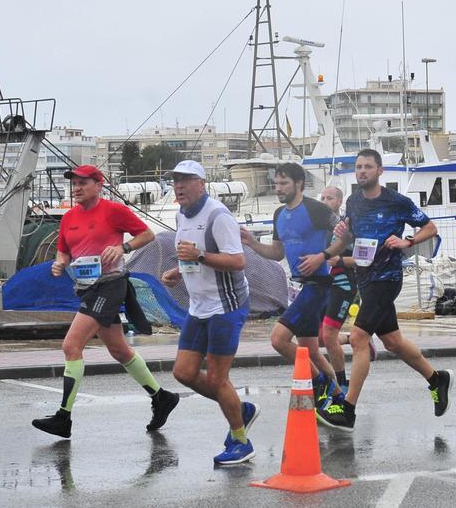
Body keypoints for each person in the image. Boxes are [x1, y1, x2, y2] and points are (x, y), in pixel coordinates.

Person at [32, 165, 178, 438]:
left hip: (110, 286)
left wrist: (122, 247)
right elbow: (64, 251)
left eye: (83, 183)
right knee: (120, 351)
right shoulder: (69, 218)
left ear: (99, 185)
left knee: (71, 345)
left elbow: (146, 235)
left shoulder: (114, 211)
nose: (76, 188)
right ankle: (162, 397)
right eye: (74, 183)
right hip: (87, 289)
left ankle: (63, 417)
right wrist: (59, 264)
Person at [315, 149, 452, 431]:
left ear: (379, 171)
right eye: (358, 167)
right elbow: (351, 237)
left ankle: (348, 410)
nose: (361, 171)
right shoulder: (353, 202)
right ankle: (436, 379)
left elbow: (430, 227)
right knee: (393, 342)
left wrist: (408, 242)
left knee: (358, 337)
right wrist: (339, 241)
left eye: (367, 167)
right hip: (364, 278)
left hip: (387, 279)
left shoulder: (396, 202)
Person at [160, 160, 258, 465]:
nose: (179, 186)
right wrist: (179, 269)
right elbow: (193, 255)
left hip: (225, 306)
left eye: (186, 180)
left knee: (217, 379)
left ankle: (241, 441)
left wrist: (200, 255)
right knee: (184, 373)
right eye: (175, 181)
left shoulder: (218, 216)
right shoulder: (180, 214)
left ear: (201, 184)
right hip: (198, 306)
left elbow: (238, 261)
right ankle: (239, 410)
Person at [240, 163, 345, 405]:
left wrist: (323, 256)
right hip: (298, 287)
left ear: (298, 184)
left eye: (284, 183)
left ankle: (321, 385)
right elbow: (277, 252)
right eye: (276, 184)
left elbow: (346, 235)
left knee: (279, 339)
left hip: (318, 285)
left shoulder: (316, 209)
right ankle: (339, 399)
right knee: (311, 352)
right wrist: (252, 243)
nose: (278, 188)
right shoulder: (279, 214)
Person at [317, 185, 375, 386]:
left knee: (329, 335)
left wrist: (340, 261)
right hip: (321, 287)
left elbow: (367, 259)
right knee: (317, 339)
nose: (324, 202)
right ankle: (355, 339)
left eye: (329, 198)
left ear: (340, 202)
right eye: (322, 198)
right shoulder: (319, 228)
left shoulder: (348, 226)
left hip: (343, 285)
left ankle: (341, 383)